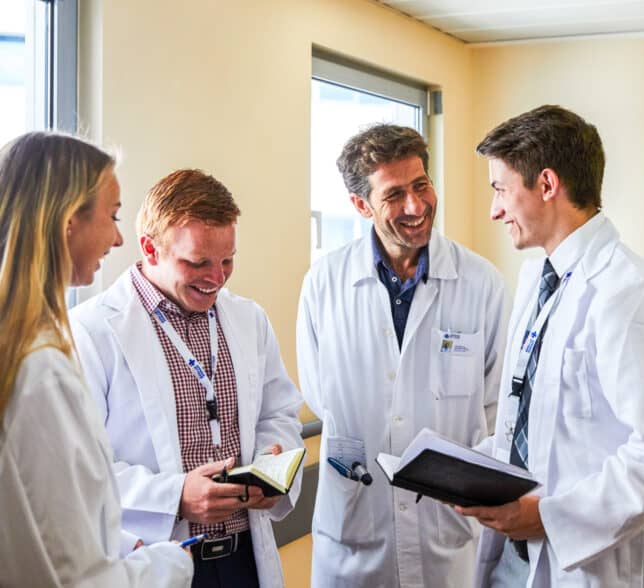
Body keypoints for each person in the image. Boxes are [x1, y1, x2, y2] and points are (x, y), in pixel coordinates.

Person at [459, 105, 644, 587]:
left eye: (501, 190)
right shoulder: (537, 281)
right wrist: (469, 470)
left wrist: (551, 518)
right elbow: (537, 418)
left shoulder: (631, 293)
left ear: (547, 185)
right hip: (516, 560)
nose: (495, 210)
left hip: (587, 564)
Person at [70, 168, 304, 588]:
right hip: (157, 558)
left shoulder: (248, 319)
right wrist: (175, 496)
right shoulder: (91, 332)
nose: (216, 277)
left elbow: (279, 412)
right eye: (198, 262)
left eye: (227, 260)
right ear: (149, 248)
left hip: (245, 558)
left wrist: (274, 472)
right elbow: (79, 466)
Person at [296, 124, 508, 587]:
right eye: (394, 195)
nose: (415, 206)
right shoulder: (325, 285)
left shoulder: (482, 284)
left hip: (447, 536)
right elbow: (322, 393)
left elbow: (494, 407)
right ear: (360, 205)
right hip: (354, 533)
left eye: (421, 185)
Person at [0, 132, 193, 586]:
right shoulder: (39, 369)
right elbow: (77, 576)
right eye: (112, 215)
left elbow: (48, 520)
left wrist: (117, 543)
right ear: (70, 221)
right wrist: (169, 565)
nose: (118, 236)